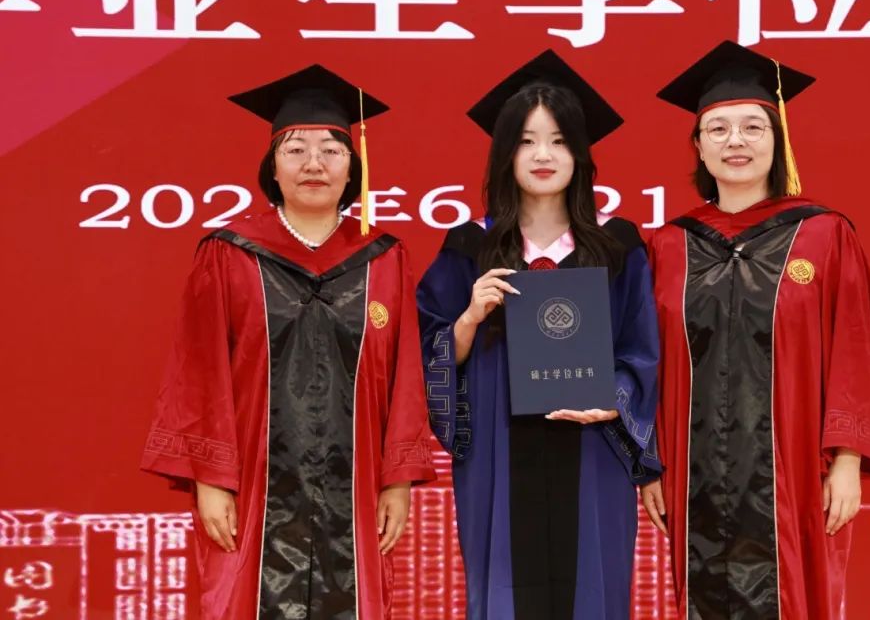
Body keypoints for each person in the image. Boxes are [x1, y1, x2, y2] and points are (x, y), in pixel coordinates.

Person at [140, 64, 436, 619]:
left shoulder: (385, 260)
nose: (314, 164)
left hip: (356, 486)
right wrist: (210, 479)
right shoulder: (228, 255)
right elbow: (199, 371)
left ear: (353, 169)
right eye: (296, 150)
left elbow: (405, 377)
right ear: (272, 167)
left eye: (332, 150)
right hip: (252, 482)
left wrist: (397, 480)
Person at [645, 41, 870, 619]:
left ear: (777, 140)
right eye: (719, 129)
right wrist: (650, 464)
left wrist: (848, 461)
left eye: (753, 127)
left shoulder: (824, 235)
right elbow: (648, 362)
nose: (736, 141)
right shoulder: (668, 245)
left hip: (798, 469)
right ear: (699, 147)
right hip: (693, 472)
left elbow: (853, 349)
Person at [418, 50, 661, 619]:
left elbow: (643, 348)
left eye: (559, 141)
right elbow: (429, 351)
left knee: (594, 592)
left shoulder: (618, 246)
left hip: (594, 451)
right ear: (505, 154)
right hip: (497, 451)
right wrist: (469, 317)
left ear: (581, 154)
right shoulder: (469, 247)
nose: (544, 155)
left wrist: (615, 400)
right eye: (527, 141)